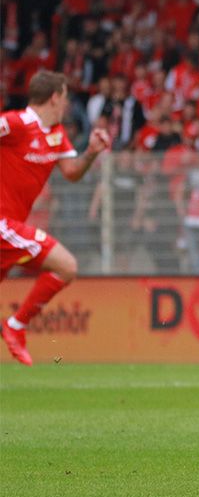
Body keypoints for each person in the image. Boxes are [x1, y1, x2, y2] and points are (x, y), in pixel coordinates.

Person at [1, 70, 110, 366]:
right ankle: (15, 326)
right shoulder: (16, 123)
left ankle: (15, 326)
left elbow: (72, 173)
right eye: (65, 98)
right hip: (2, 224)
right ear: (54, 97)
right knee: (66, 265)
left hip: (11, 229)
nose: (67, 105)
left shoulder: (57, 134)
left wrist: (91, 152)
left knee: (65, 268)